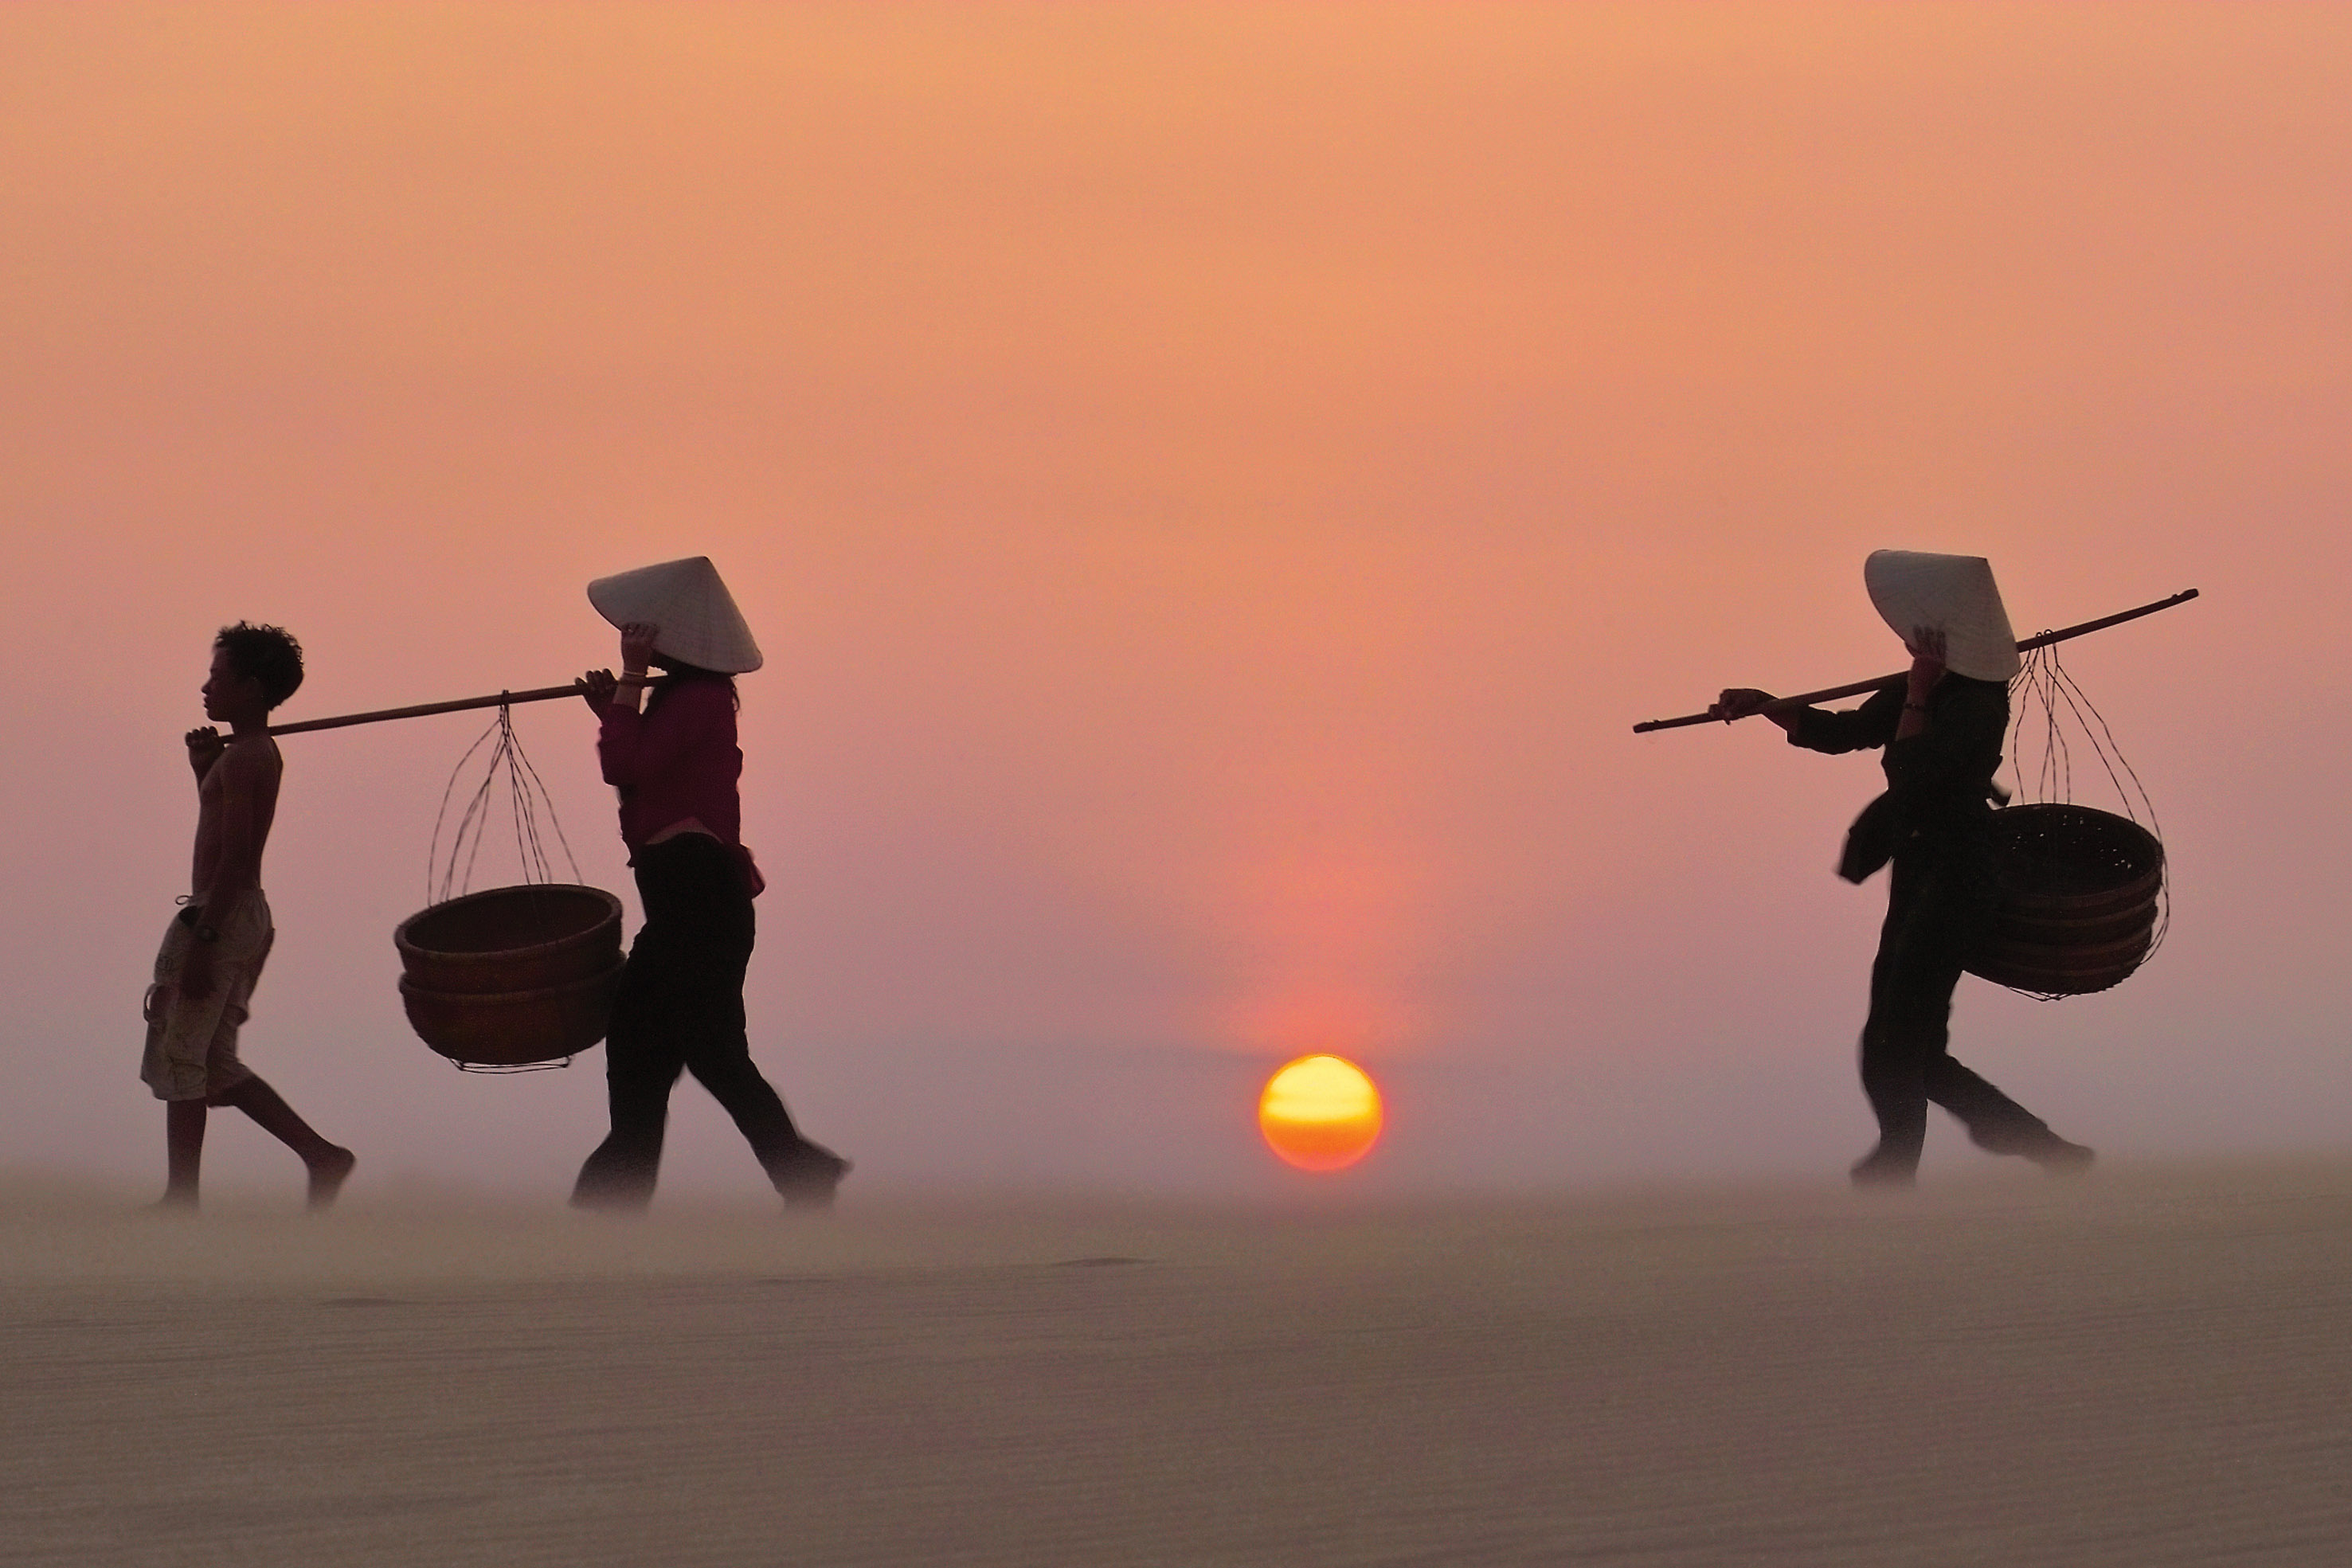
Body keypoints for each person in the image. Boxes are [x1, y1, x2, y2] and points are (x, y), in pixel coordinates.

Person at [1709, 551, 2094, 1188]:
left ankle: (1909, 1167)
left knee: (1898, 1045)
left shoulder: (1977, 701)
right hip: (1919, 874)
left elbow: (1911, 776)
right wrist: (1765, 704)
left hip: (1958, 876)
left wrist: (1916, 695)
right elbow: (1842, 732)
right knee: (1902, 1047)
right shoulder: (1929, 682)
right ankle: (2036, 1152)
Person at [569, 556, 849, 1210]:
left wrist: (629, 684)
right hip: (684, 899)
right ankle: (617, 1199)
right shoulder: (688, 702)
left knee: (704, 1051)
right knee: (647, 1048)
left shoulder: (697, 700)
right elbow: (640, 779)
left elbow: (621, 766)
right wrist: (616, 703)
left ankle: (618, 1202)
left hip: (697, 898)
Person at [144, 623, 355, 1210]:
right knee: (210, 1061)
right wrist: (201, 766)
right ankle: (322, 1156)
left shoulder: (251, 758)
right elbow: (219, 831)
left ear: (253, 687)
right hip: (229, 911)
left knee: (182, 1052)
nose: (206, 687)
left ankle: (181, 1197)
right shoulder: (242, 757)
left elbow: (237, 858)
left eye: (219, 677)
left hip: (222, 912)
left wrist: (205, 941)